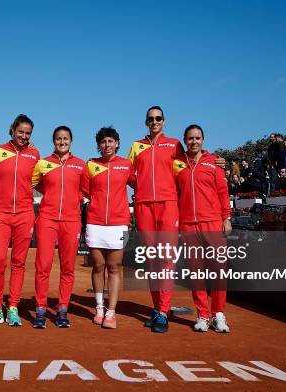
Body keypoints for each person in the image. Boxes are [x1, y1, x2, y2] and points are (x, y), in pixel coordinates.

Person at [127, 106, 183, 333]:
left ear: (164, 121)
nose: (154, 122)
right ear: (146, 122)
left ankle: (162, 311)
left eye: (158, 118)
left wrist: (215, 160)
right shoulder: (136, 146)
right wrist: (139, 187)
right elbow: (127, 172)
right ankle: (158, 307)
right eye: (150, 119)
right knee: (152, 260)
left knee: (167, 259)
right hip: (143, 206)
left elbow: (188, 167)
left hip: (168, 204)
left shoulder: (175, 144)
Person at [174, 124, 232, 333]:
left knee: (218, 270)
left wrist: (226, 217)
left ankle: (218, 314)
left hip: (212, 222)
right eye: (190, 138)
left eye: (197, 138)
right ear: (185, 141)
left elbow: (223, 192)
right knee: (196, 271)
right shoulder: (177, 164)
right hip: (188, 224)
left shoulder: (214, 162)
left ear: (203, 140)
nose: (194, 142)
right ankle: (202, 314)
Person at [0, 114, 40, 327]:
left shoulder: (34, 154)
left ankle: (13, 306)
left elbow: (35, 180)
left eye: (27, 133)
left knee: (19, 263)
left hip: (25, 214)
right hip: (0, 214)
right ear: (13, 130)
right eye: (21, 132)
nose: (24, 136)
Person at [31, 126, 86, 328]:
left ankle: (62, 310)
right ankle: (40, 310)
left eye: (65, 139)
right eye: (58, 139)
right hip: (47, 219)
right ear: (53, 141)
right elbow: (35, 184)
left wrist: (73, 200)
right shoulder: (43, 163)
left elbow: (86, 188)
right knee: (42, 266)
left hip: (71, 221)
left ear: (71, 141)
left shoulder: (80, 165)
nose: (62, 142)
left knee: (67, 268)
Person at [84, 127, 134, 329]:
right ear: (98, 145)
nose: (107, 145)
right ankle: (99, 307)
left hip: (118, 223)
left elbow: (140, 182)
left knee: (114, 268)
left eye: (111, 141)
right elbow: (84, 189)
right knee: (98, 266)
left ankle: (111, 312)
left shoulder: (126, 165)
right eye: (103, 142)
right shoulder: (91, 165)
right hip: (95, 222)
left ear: (117, 143)